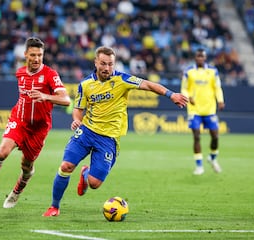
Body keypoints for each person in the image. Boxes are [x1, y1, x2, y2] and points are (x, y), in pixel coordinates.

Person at [43, 46, 188, 217]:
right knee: (66, 166)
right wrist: (76, 120)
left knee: (94, 183)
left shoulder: (122, 79)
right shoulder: (85, 85)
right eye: (103, 64)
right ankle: (54, 206)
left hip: (109, 139)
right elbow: (78, 108)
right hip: (87, 131)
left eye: (110, 64)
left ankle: (86, 173)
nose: (107, 68)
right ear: (96, 62)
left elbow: (148, 84)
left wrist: (171, 95)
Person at [0, 37, 71, 208]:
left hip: (39, 129)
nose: (37, 59)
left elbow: (66, 99)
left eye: (40, 55)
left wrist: (46, 96)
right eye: (33, 55)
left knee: (26, 166)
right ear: (25, 54)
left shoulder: (50, 75)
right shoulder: (20, 73)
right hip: (19, 121)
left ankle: (16, 191)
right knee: (2, 152)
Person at [180, 48, 225, 175]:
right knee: (196, 136)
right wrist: (188, 97)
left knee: (215, 136)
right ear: (195, 58)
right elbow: (184, 88)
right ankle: (199, 166)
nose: (200, 58)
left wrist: (220, 100)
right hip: (194, 110)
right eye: (198, 56)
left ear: (205, 58)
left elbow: (217, 87)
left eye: (202, 56)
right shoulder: (189, 71)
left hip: (210, 109)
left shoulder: (212, 71)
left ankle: (212, 157)